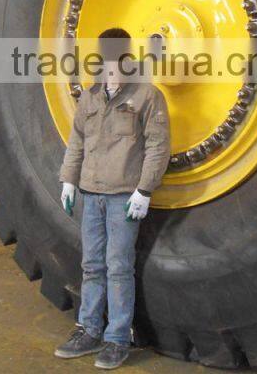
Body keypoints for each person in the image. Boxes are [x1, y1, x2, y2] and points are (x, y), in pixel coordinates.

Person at [54, 28, 171, 370]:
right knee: (92, 265)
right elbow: (77, 143)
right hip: (91, 196)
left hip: (123, 199)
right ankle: (89, 330)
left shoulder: (146, 96)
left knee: (118, 268)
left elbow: (158, 146)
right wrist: (68, 182)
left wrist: (144, 190)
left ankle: (117, 338)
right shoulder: (90, 97)